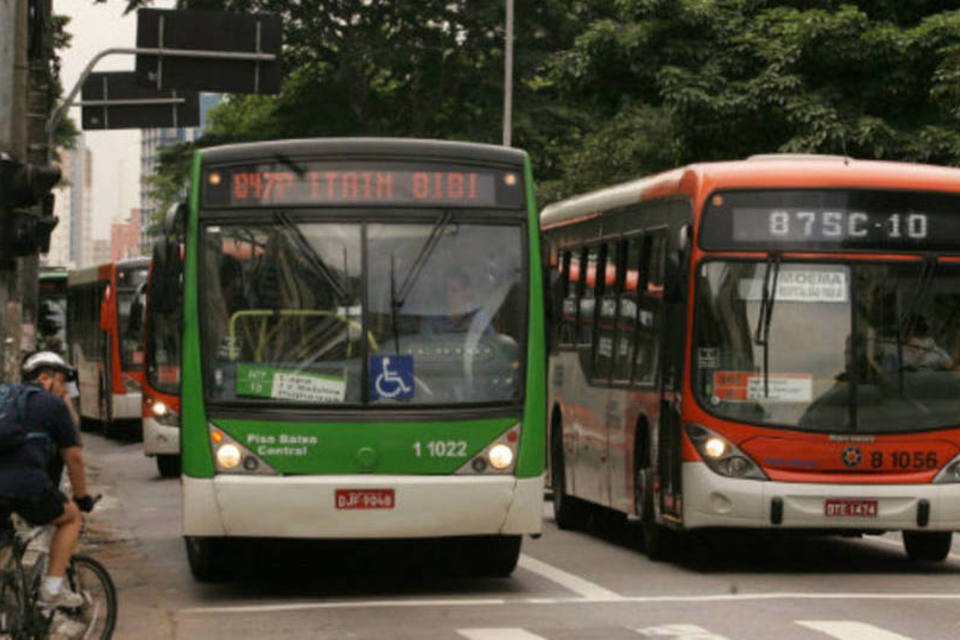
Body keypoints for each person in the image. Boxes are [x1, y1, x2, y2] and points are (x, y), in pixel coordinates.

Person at [0, 352, 95, 608]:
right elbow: (74, 457)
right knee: (70, 516)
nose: (65, 389)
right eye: (62, 382)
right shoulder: (52, 405)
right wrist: (82, 497)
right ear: (45, 378)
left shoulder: (4, 397)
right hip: (26, 485)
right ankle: (52, 590)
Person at [883, 314, 954, 371]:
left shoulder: (937, 353)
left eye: (919, 335)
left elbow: (952, 368)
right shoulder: (894, 353)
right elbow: (886, 376)